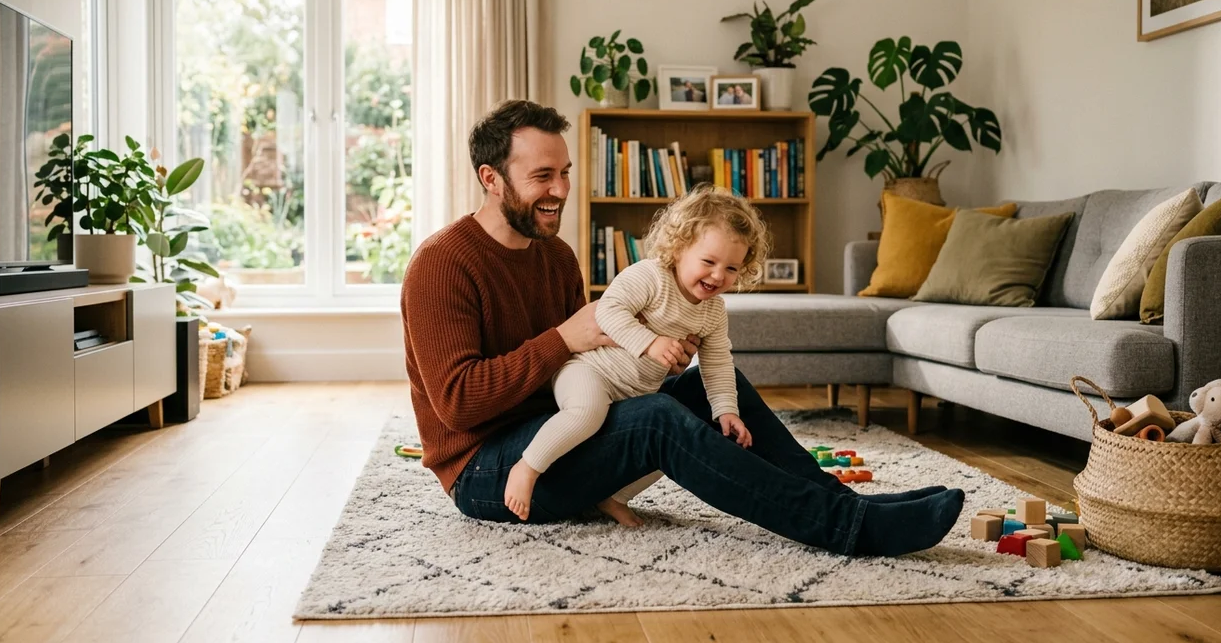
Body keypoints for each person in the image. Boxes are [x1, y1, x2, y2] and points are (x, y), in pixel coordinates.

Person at [401, 99, 964, 557]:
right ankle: (847, 529)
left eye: (566, 172)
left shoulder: (555, 257)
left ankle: (845, 503)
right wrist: (564, 339)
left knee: (717, 391)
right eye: (541, 176)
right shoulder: (442, 264)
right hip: (486, 472)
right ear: (491, 179)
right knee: (656, 420)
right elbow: (458, 405)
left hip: (559, 433)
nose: (561, 190)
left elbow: (583, 368)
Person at [503, 185, 769, 526]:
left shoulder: (713, 311)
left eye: (732, 268)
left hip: (636, 391)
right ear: (679, 248)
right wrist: (651, 342)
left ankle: (614, 496)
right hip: (590, 372)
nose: (718, 275)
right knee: (586, 412)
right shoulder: (650, 276)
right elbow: (608, 311)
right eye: (709, 262)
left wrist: (726, 410)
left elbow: (717, 362)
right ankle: (527, 467)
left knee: (674, 437)